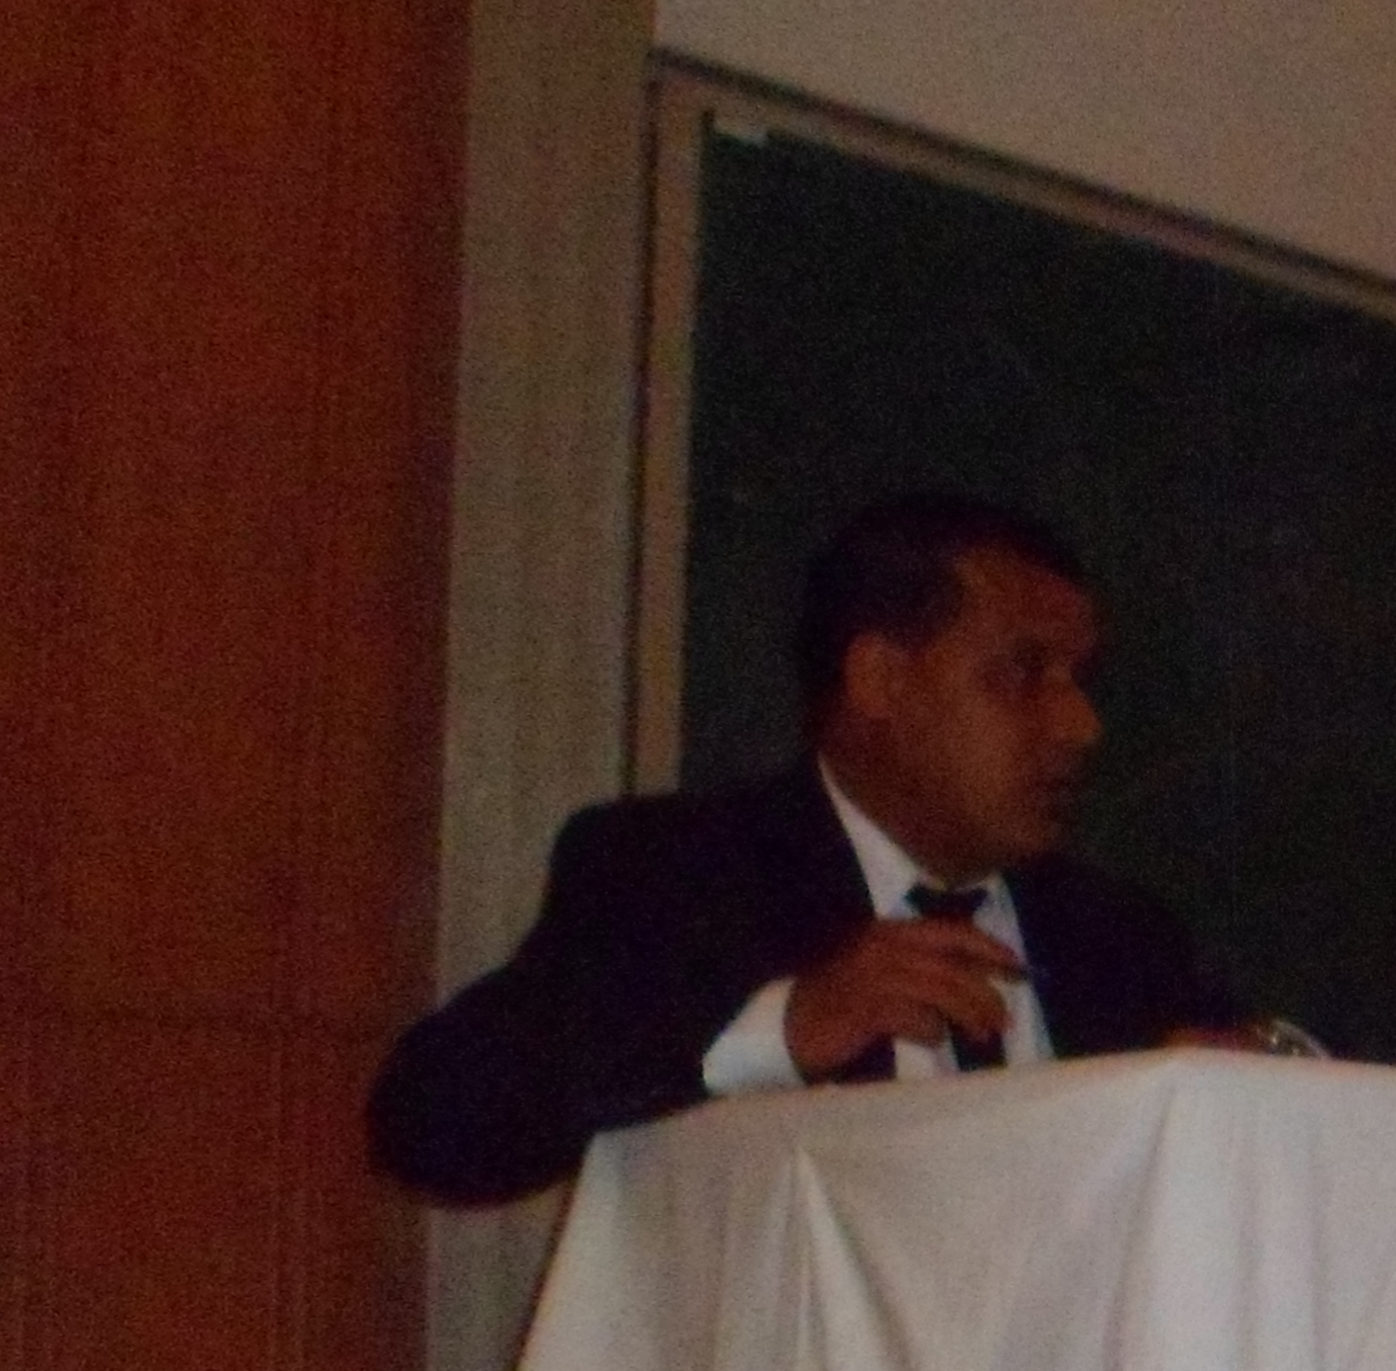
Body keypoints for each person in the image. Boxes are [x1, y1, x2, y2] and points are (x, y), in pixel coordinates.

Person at [371, 495, 1254, 1205]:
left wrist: (1244, 1092)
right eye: (1023, 674)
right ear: (880, 680)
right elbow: (434, 1123)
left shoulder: (1118, 938)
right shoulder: (681, 872)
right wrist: (782, 1029)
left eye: (1078, 682)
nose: (1079, 726)